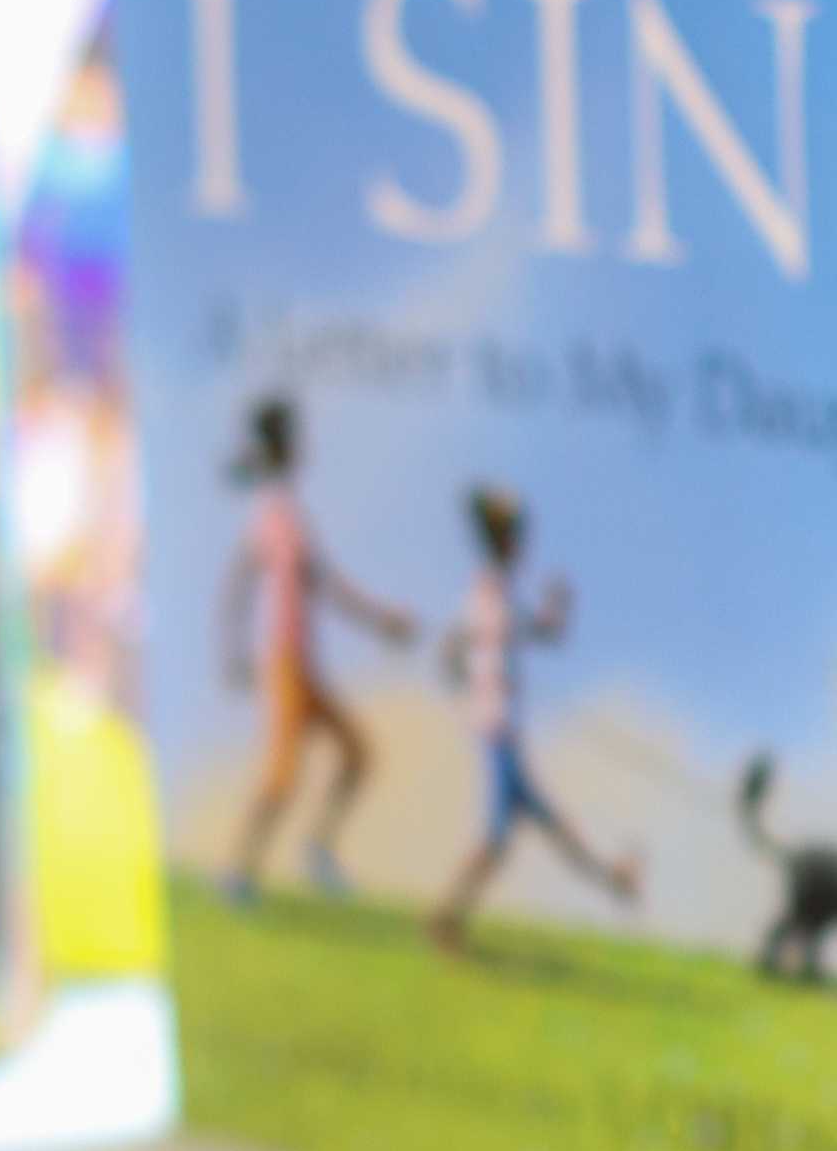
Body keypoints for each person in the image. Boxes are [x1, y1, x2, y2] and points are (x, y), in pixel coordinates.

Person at [424, 485, 642, 953]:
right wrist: (480, 680)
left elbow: (537, 633)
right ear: (501, 541)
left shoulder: (497, 591)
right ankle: (445, 919)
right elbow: (465, 643)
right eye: (515, 538)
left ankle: (612, 878)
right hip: (497, 728)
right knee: (503, 835)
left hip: (501, 725)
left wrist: (555, 610)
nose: (521, 547)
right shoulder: (487, 591)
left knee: (543, 824)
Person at [214, 397, 410, 901]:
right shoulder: (272, 517)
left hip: (303, 664)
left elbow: (324, 584)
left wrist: (380, 621)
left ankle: (316, 848)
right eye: (295, 437)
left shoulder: (290, 516)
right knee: (283, 775)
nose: (303, 446)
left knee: (357, 753)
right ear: (283, 446)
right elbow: (239, 581)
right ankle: (238, 870)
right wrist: (234, 648)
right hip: (284, 661)